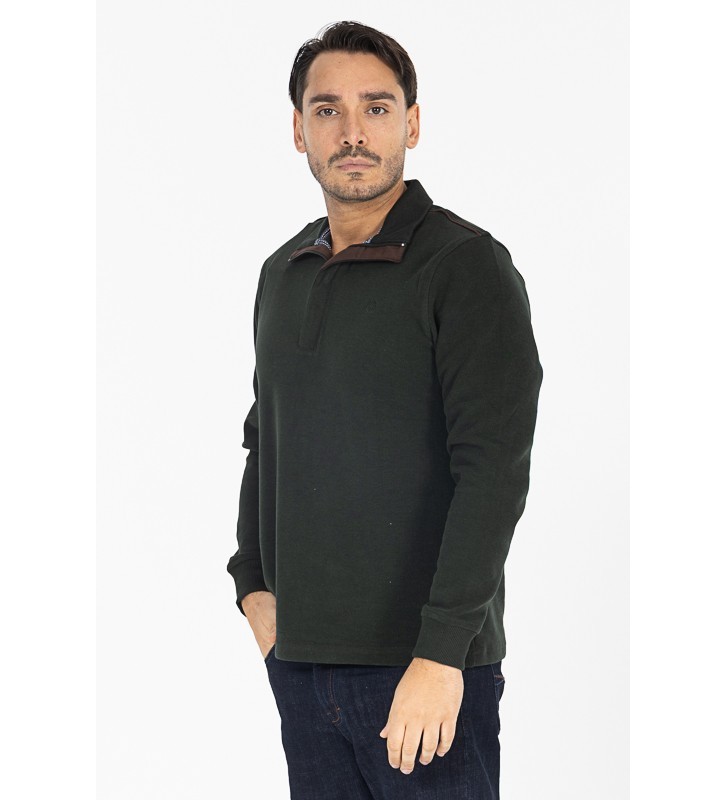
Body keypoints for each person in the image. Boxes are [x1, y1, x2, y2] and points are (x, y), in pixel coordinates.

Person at [226, 19, 544, 799]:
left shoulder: (464, 266)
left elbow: (493, 471)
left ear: (412, 122)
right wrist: (251, 581)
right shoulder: (283, 271)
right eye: (327, 110)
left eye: (376, 107)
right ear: (298, 131)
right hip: (302, 667)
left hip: (420, 673)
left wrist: (440, 653)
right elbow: (266, 436)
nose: (353, 132)